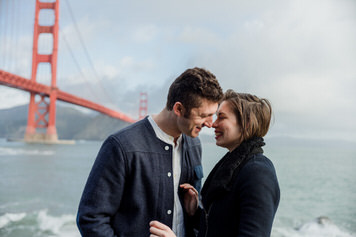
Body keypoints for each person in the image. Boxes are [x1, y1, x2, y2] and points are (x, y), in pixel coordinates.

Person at [76, 67, 223, 237]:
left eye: (213, 115)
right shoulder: (121, 146)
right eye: (204, 115)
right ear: (179, 109)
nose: (210, 124)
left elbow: (194, 216)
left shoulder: (195, 144)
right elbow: (91, 218)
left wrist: (195, 211)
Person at [150, 89, 280, 237]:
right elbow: (221, 226)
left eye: (221, 117)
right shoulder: (232, 165)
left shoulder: (258, 173)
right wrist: (195, 214)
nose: (213, 124)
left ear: (247, 124)